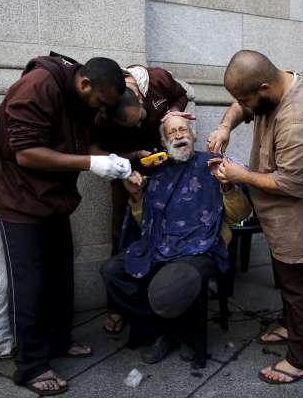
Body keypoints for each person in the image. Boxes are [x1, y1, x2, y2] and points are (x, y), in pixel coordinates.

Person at [0, 52, 132, 396]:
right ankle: (32, 365)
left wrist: (114, 160)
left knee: (60, 273)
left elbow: (85, 140)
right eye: (100, 102)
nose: (100, 111)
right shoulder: (36, 87)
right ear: (85, 84)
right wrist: (89, 164)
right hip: (19, 197)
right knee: (31, 282)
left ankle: (60, 340)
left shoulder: (82, 97)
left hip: (53, 198)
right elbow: (27, 153)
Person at [207, 50, 303, 385]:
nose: (242, 105)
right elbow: (243, 105)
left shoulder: (299, 120)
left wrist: (240, 175)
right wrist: (225, 126)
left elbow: (291, 184)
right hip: (286, 221)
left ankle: (301, 361)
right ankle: (292, 326)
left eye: (246, 98)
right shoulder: (276, 84)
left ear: (264, 87)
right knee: (289, 279)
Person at [100, 114, 251, 364]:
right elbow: (144, 223)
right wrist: (137, 197)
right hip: (160, 244)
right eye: (172, 132)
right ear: (164, 141)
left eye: (183, 130)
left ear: (193, 136)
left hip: (203, 247)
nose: (179, 135)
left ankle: (181, 335)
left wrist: (227, 186)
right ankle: (161, 330)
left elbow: (241, 215)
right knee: (112, 271)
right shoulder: (157, 172)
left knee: (174, 278)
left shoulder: (213, 164)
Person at [91, 65, 193, 335]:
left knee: (168, 225)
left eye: (141, 118)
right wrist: (132, 158)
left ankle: (167, 293)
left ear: (139, 97)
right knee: (123, 231)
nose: (138, 125)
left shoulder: (158, 80)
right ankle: (118, 306)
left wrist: (171, 114)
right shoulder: (102, 117)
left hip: (165, 164)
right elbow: (99, 151)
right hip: (127, 168)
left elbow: (181, 95)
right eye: (131, 125)